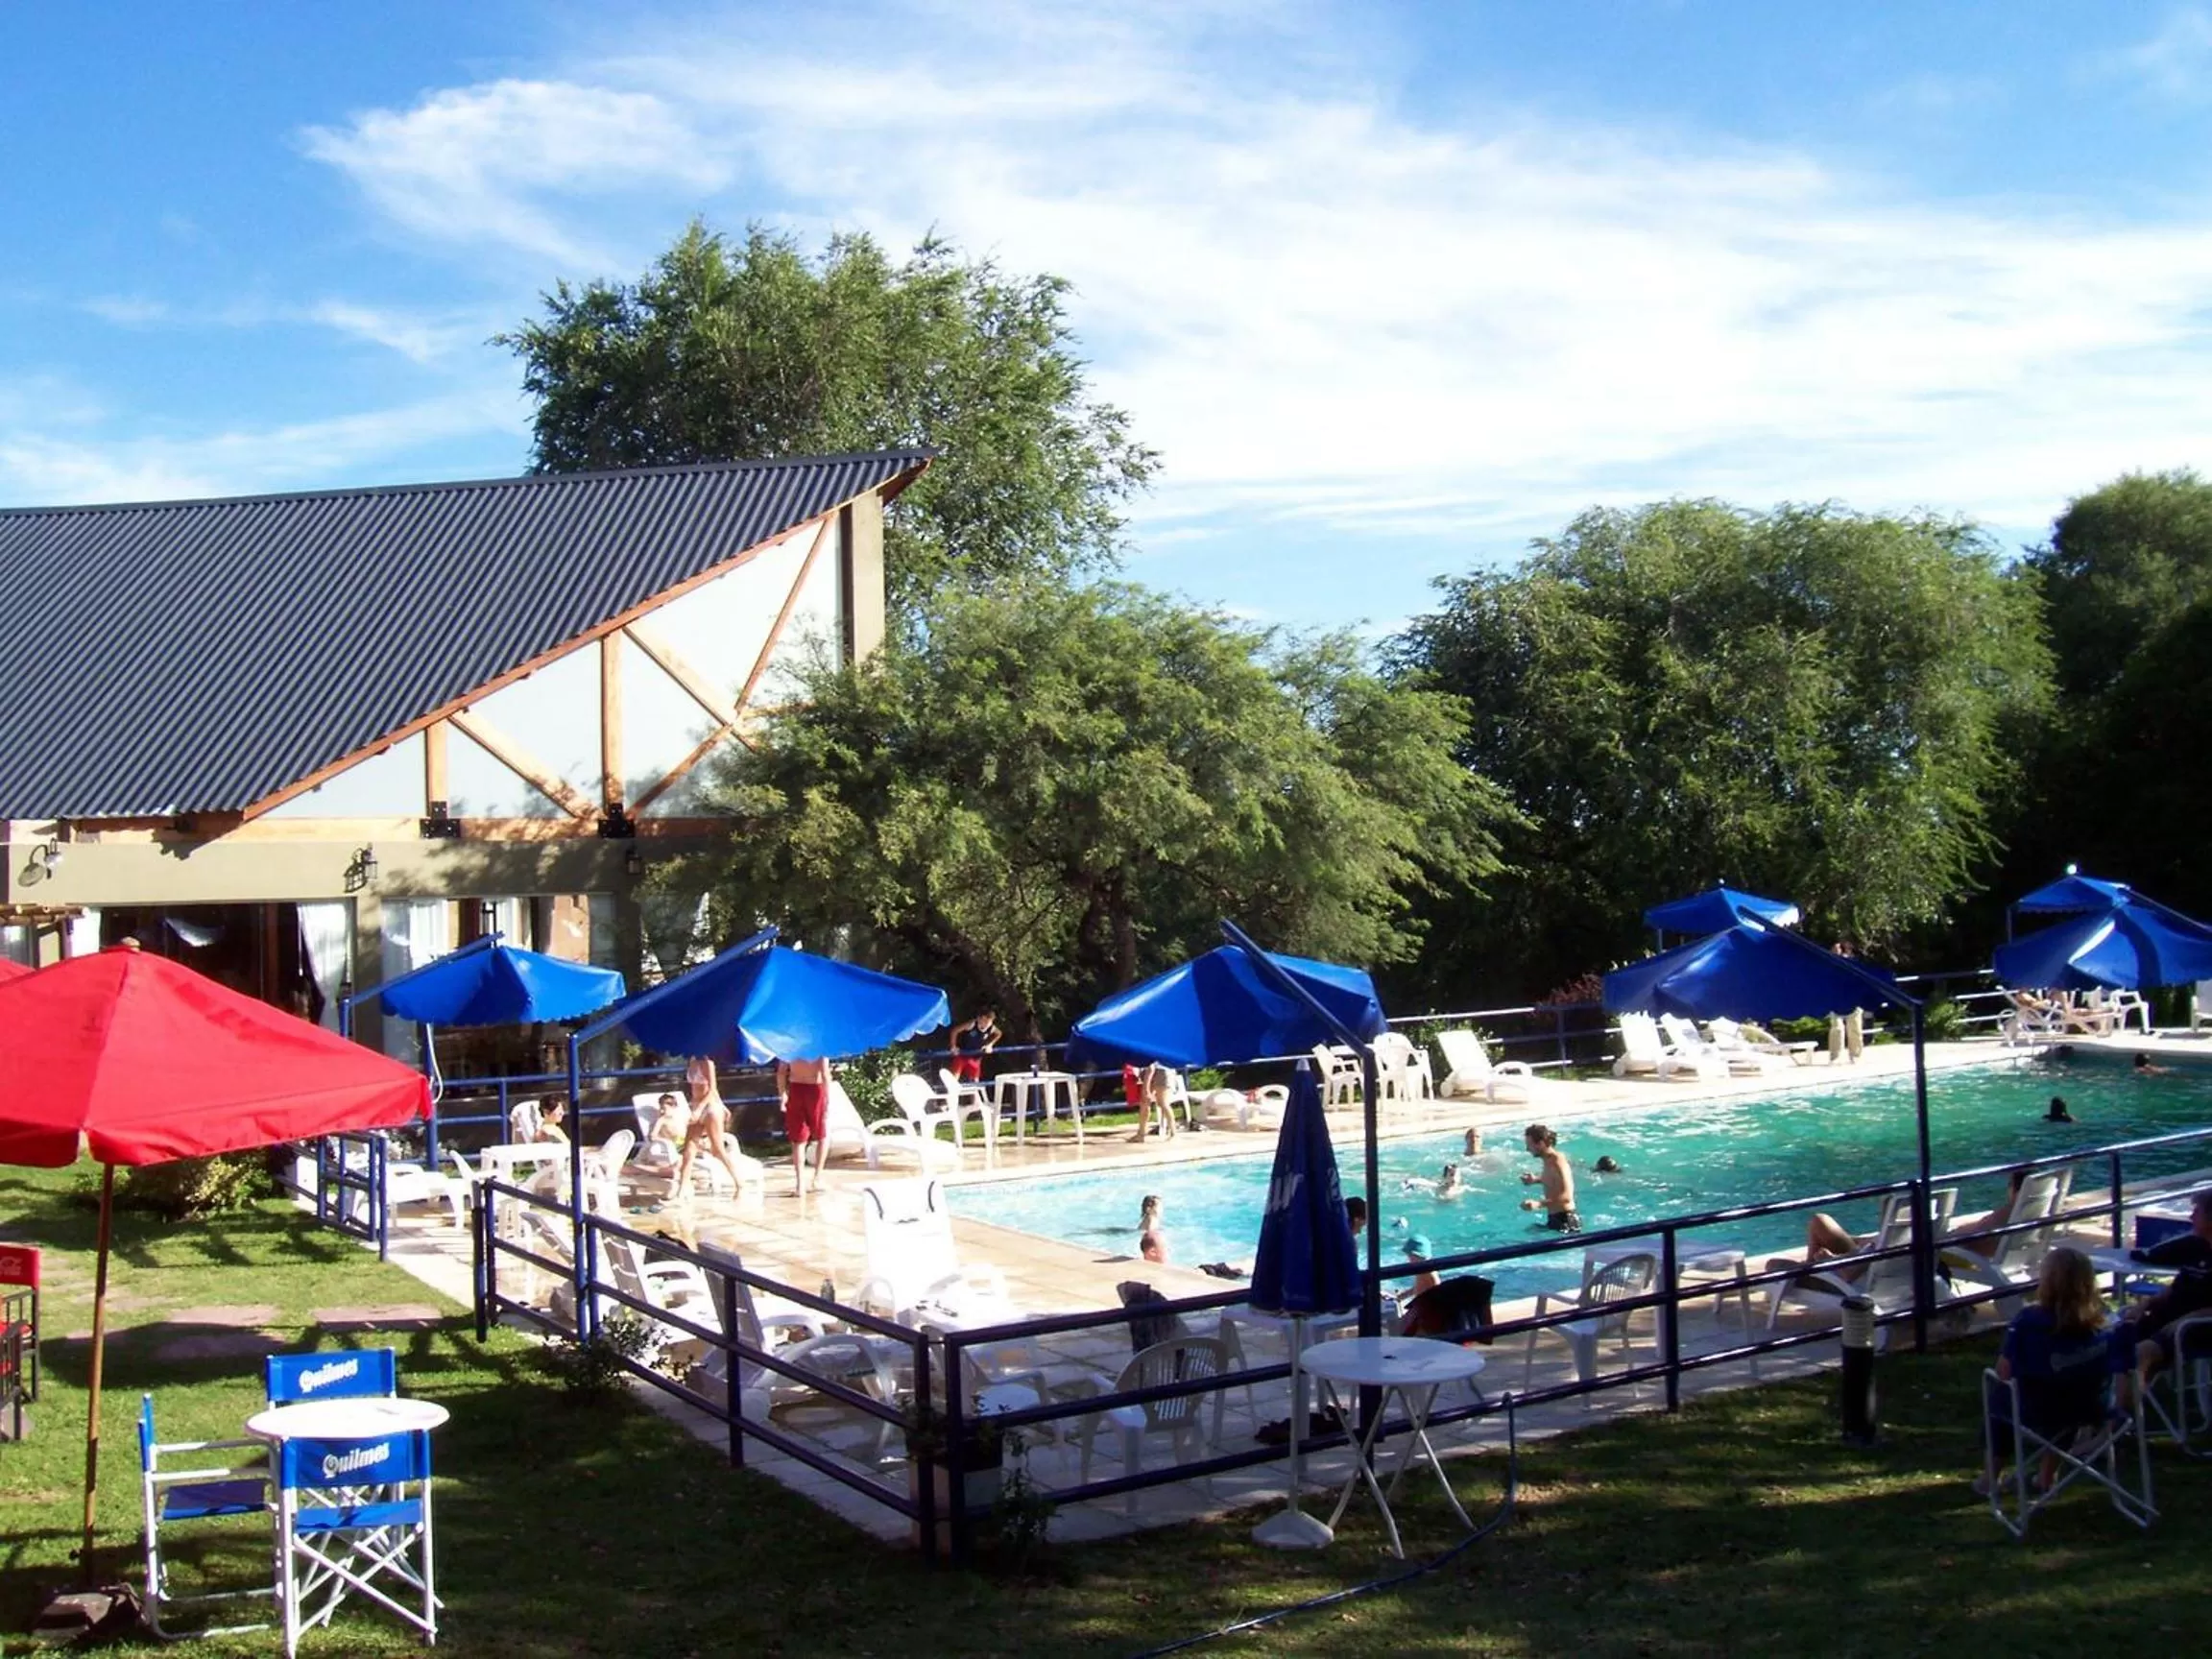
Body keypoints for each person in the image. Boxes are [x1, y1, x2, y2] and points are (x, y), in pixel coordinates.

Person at [1975, 1246, 2125, 1497]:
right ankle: (2047, 1475)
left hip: (2040, 1409)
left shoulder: (2029, 1321)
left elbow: (2004, 1371)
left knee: (2002, 1398)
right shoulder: (2106, 1320)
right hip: (2093, 1408)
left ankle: (1990, 1478)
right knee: (2072, 1391)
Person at [2125, 1189, 2212, 1398]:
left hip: (2197, 1327)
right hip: (2170, 1321)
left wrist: (2187, 1318)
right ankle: (2114, 1404)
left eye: (2197, 1212)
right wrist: (2145, 1304)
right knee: (2117, 1338)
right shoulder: (2196, 1248)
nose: (2191, 1217)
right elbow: (2173, 1289)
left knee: (2141, 1353)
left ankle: (2124, 1412)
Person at [673, 1057, 757, 1201]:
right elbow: (699, 1089)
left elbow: (712, 1088)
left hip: (709, 1108)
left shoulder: (707, 1062)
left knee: (717, 1150)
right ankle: (683, 1188)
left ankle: (740, 1184)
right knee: (689, 1149)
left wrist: (701, 1109)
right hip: (697, 1105)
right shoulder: (692, 1060)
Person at [775, 1055, 834, 1196]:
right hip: (815, 1089)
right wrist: (828, 1101)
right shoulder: (819, 1048)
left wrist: (782, 1094)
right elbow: (825, 1074)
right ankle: (817, 1179)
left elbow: (781, 1072)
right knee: (822, 1136)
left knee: (798, 1140)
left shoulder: (790, 1048)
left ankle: (800, 1185)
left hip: (796, 1088)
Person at [1518, 1123, 1579, 1231]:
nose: (1527, 1149)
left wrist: (1538, 1204)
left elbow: (1566, 1197)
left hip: (1566, 1221)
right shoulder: (1548, 1160)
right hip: (1556, 1219)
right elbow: (1555, 1181)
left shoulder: (1557, 1160)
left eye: (1529, 1145)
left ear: (1540, 1143)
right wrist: (1535, 1180)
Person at [1827, 940, 1864, 1064]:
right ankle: (1835, 1056)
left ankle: (1856, 1055)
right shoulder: (1829, 963)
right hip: (1835, 998)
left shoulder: (1852, 963)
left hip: (1853, 997)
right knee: (1836, 1028)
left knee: (1855, 1027)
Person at [950, 1008, 1001, 1083]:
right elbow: (955, 1031)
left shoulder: (991, 1028)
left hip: (976, 1058)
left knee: (975, 1082)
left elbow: (998, 1034)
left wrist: (990, 1045)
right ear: (978, 1018)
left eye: (989, 1021)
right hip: (962, 1055)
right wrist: (953, 1046)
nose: (986, 1023)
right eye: (984, 1020)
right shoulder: (972, 1024)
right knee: (953, 1080)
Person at [1404, 1235, 1439, 1299]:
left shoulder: (1430, 1272)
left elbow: (1439, 1292)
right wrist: (1402, 1296)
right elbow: (1419, 1286)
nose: (1409, 1259)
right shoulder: (1420, 1268)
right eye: (1409, 1256)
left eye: (1411, 1256)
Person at [1139, 1194, 1167, 1262]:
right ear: (1149, 1209)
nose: (1161, 1209)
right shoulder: (1151, 1219)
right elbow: (1149, 1234)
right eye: (1159, 1207)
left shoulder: (1151, 1218)